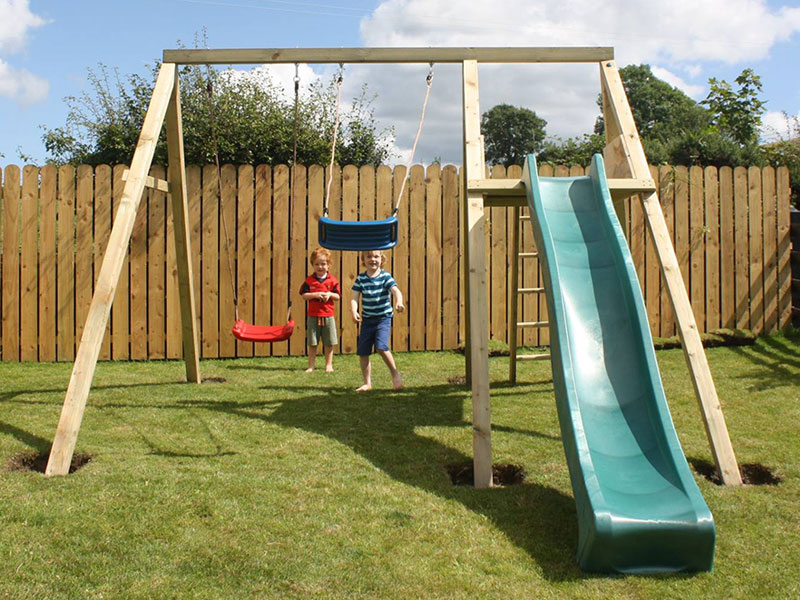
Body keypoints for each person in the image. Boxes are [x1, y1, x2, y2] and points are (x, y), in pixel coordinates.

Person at [350, 249, 404, 392]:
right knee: (363, 352)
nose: (372, 259)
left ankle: (395, 373)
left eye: (376, 256)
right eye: (369, 256)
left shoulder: (385, 277)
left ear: (381, 259)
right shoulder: (361, 279)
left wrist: (399, 302)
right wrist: (354, 311)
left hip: (383, 318)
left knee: (381, 347)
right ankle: (367, 383)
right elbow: (354, 297)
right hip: (367, 320)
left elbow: (396, 291)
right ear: (364, 259)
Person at [299, 247, 341, 372]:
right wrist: (315, 295)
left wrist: (329, 294)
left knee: (329, 341)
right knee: (312, 342)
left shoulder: (333, 281)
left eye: (323, 264)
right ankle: (311, 365)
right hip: (313, 315)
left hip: (328, 315)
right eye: (317, 264)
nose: (320, 267)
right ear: (313, 265)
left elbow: (338, 296)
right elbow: (303, 295)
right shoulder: (309, 280)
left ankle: (329, 365)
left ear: (329, 265)